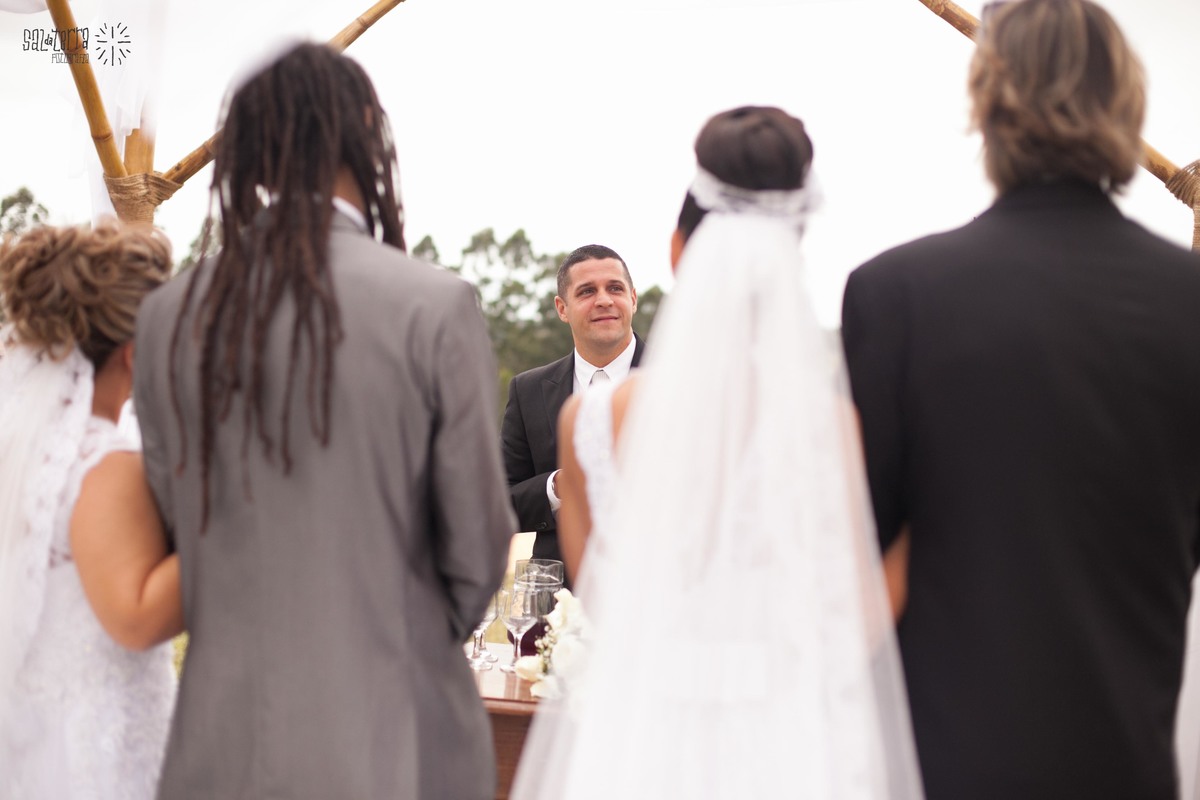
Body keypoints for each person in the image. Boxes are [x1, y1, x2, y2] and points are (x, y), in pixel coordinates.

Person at [133, 43, 514, 799]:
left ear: (248, 153)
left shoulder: (167, 316)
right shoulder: (433, 305)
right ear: (366, 132)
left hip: (222, 740)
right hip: (397, 736)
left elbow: (179, 524)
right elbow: (478, 546)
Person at [510, 106, 924, 799]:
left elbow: (610, 606)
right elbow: (853, 624)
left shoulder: (589, 425)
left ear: (676, 252)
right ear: (794, 249)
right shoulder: (832, 427)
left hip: (641, 748)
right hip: (785, 747)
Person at [841, 1, 1200, 797]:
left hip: (941, 765)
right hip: (1126, 764)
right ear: (1125, 103)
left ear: (986, 103)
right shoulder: (1190, 305)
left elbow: (861, 555)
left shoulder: (895, 294)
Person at [0, 221, 181, 798]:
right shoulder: (105, 462)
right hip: (96, 757)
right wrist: (240, 516)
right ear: (135, 352)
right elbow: (136, 617)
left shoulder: (33, 448)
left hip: (40, 742)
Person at [501, 244, 645, 566]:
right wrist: (558, 487)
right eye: (587, 291)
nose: (604, 300)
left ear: (633, 299)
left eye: (615, 288)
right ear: (562, 308)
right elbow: (499, 502)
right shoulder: (528, 391)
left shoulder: (675, 378)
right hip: (559, 601)